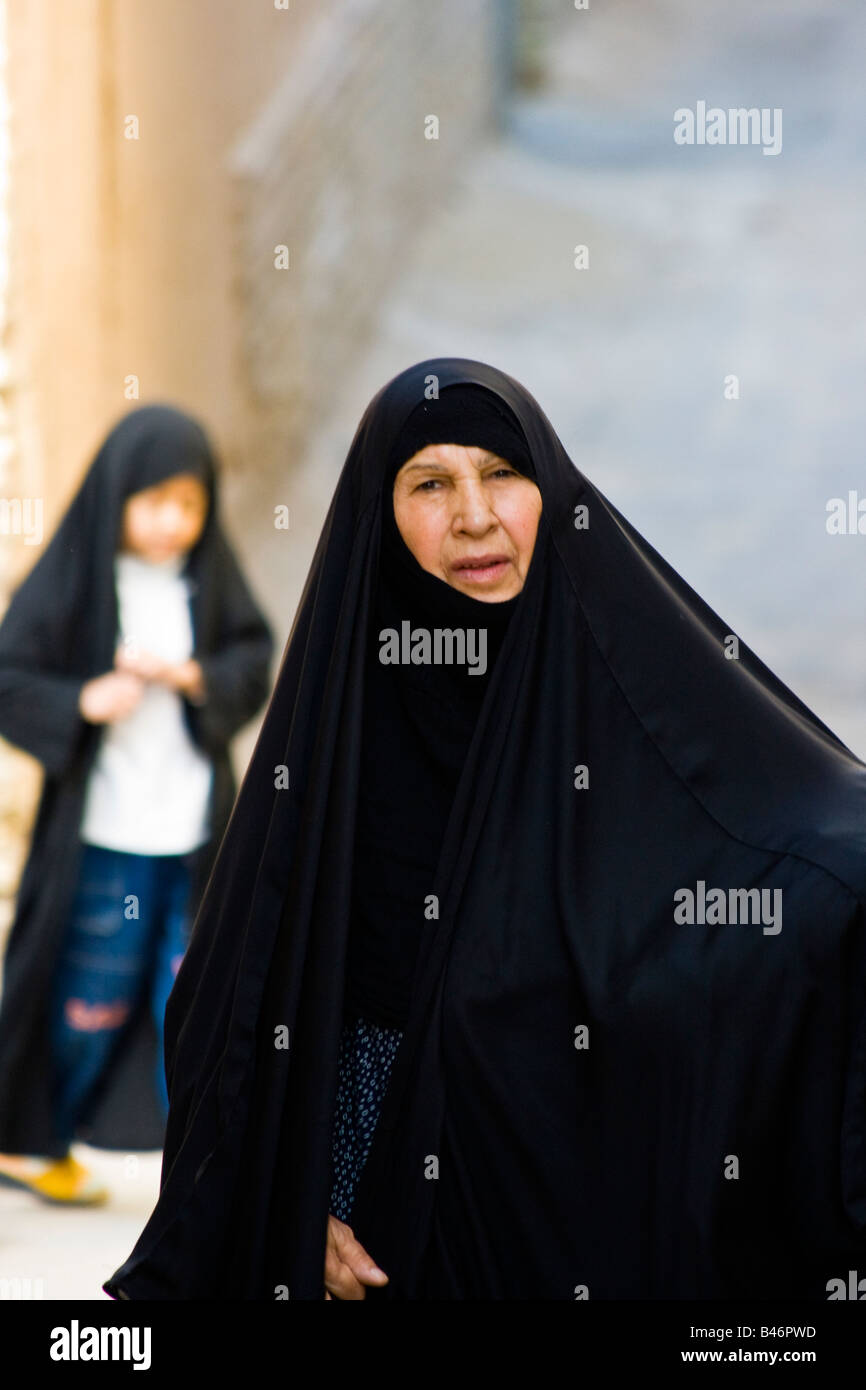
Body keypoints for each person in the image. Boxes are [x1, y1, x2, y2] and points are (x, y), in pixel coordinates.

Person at [105, 358, 866, 1300]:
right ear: (379, 516)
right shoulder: (342, 722)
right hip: (373, 1217)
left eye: (502, 474)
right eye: (431, 483)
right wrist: (289, 1200)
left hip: (567, 1199)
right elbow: (238, 992)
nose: (475, 516)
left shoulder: (626, 689)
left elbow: (777, 844)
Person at [0, 404, 273, 1204]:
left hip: (191, 837)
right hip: (104, 841)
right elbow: (10, 679)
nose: (172, 523)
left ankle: (197, 1162)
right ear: (116, 494)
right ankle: (28, 1140)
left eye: (189, 505)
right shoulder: (75, 583)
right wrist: (87, 699)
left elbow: (255, 657)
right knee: (91, 995)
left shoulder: (207, 580)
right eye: (153, 502)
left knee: (187, 1000)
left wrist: (196, 679)